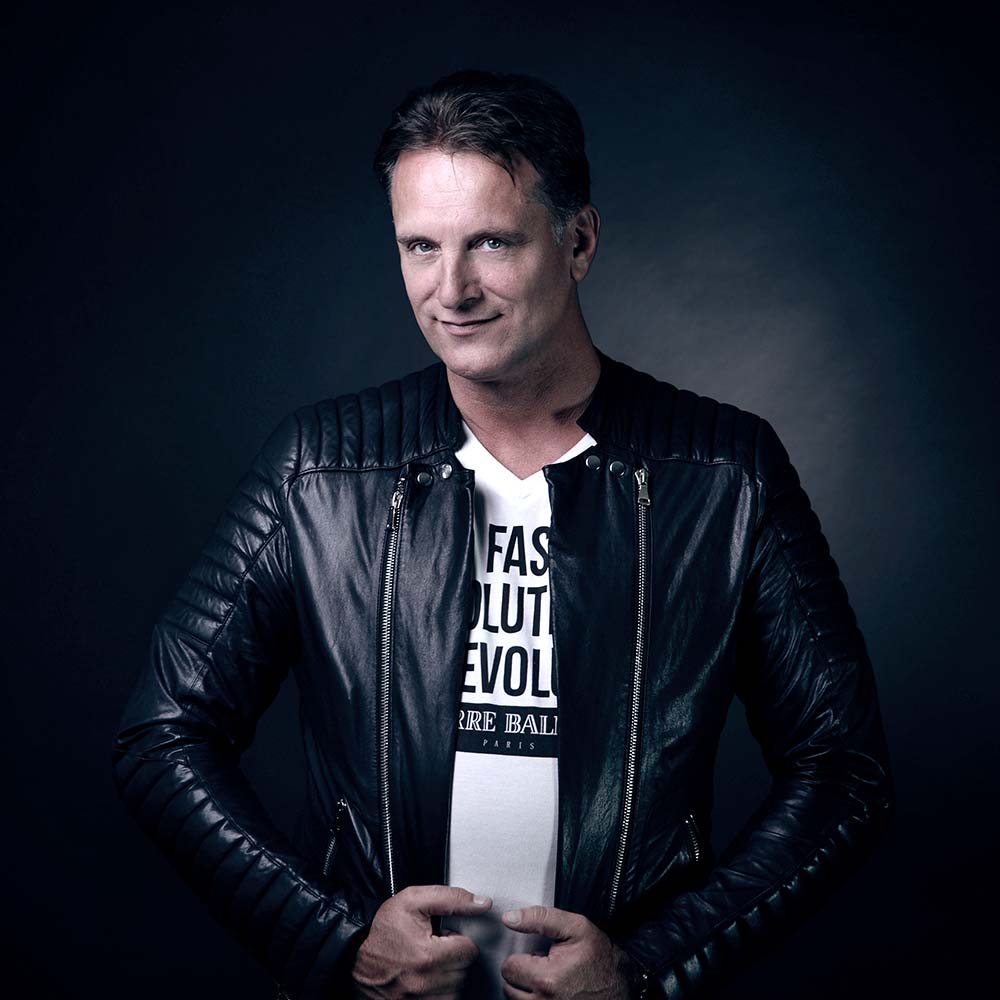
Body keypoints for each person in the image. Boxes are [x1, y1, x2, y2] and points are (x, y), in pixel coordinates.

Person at [111, 69, 894, 1000]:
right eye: (420, 246)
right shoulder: (320, 468)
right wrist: (335, 946)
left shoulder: (724, 470)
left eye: (491, 242)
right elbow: (163, 735)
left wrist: (651, 969)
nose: (451, 290)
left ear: (579, 241)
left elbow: (843, 771)